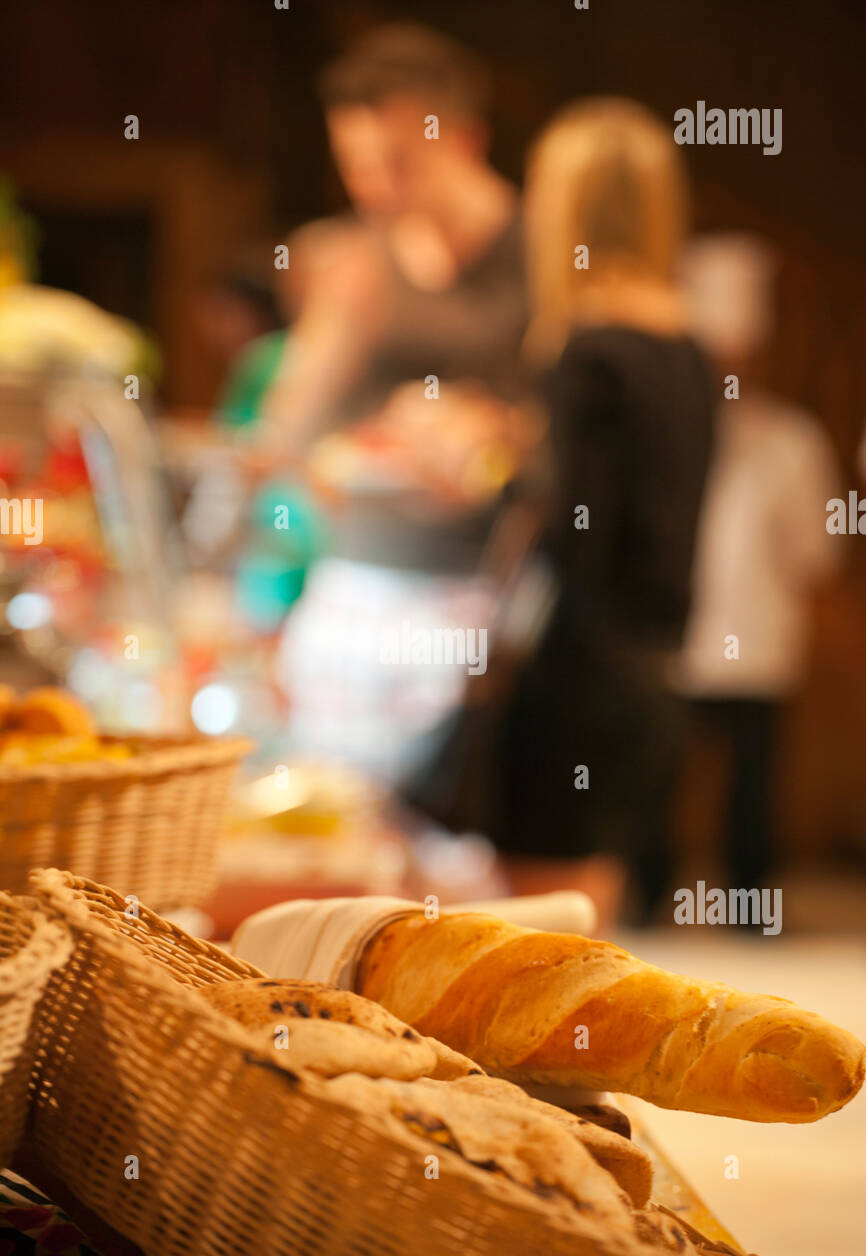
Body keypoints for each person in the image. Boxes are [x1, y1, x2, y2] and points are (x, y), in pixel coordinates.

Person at [485, 99, 715, 927]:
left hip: (577, 664)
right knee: (588, 929)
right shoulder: (689, 346)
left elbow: (574, 535)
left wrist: (504, 474)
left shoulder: (584, 348)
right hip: (653, 667)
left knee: (541, 941)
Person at [261, 22, 527, 456]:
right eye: (354, 166)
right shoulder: (357, 253)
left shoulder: (543, 247)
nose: (375, 187)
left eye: (399, 161)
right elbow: (286, 430)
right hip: (369, 513)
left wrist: (502, 426)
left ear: (467, 139)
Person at [675, 235, 839, 900]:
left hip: (760, 641)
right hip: (673, 639)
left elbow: (817, 552)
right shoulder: (665, 435)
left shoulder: (794, 442)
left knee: (752, 785)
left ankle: (751, 907)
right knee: (660, 786)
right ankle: (646, 905)